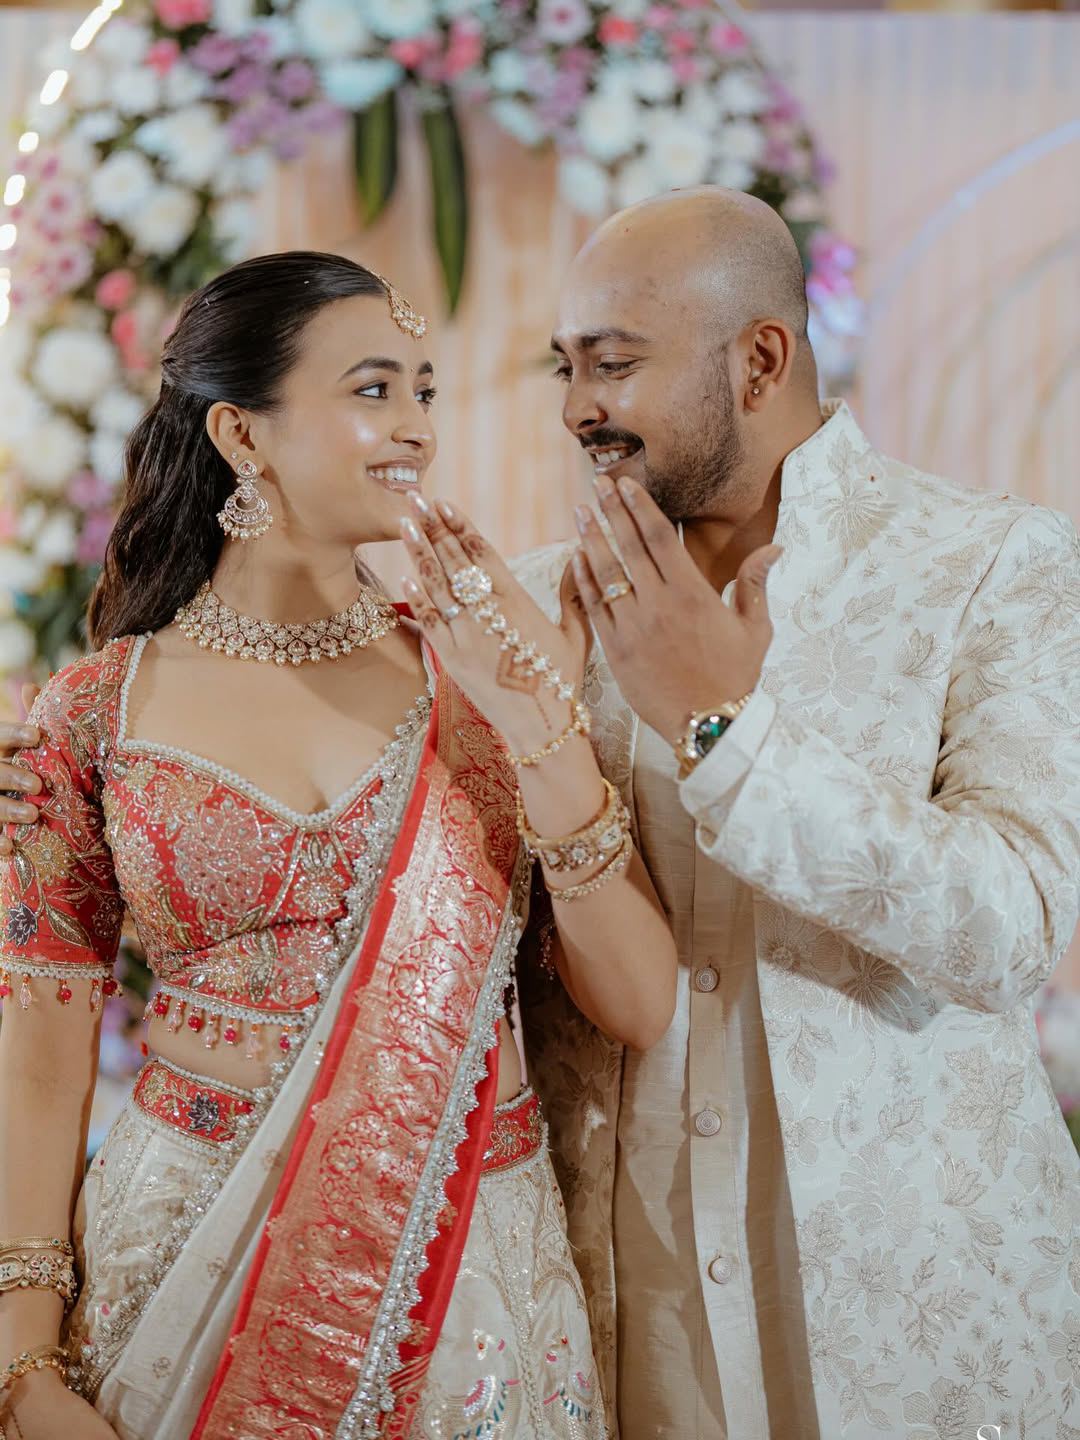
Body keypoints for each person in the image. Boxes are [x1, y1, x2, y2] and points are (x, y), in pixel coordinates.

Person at [0, 251, 677, 1440]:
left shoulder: (478, 668)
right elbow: (40, 1059)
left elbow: (638, 1002)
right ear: (242, 436)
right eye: (374, 390)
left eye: (425, 391)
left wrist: (539, 726)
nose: (415, 425)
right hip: (177, 1250)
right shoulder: (94, 712)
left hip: (462, 1251)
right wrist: (19, 1359)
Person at [508, 188, 1080, 1438]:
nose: (574, 409)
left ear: (761, 356)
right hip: (619, 1329)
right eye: (568, 367)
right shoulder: (537, 606)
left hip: (916, 1319)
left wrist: (726, 734)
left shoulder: (990, 566)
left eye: (614, 364)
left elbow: (1011, 929)